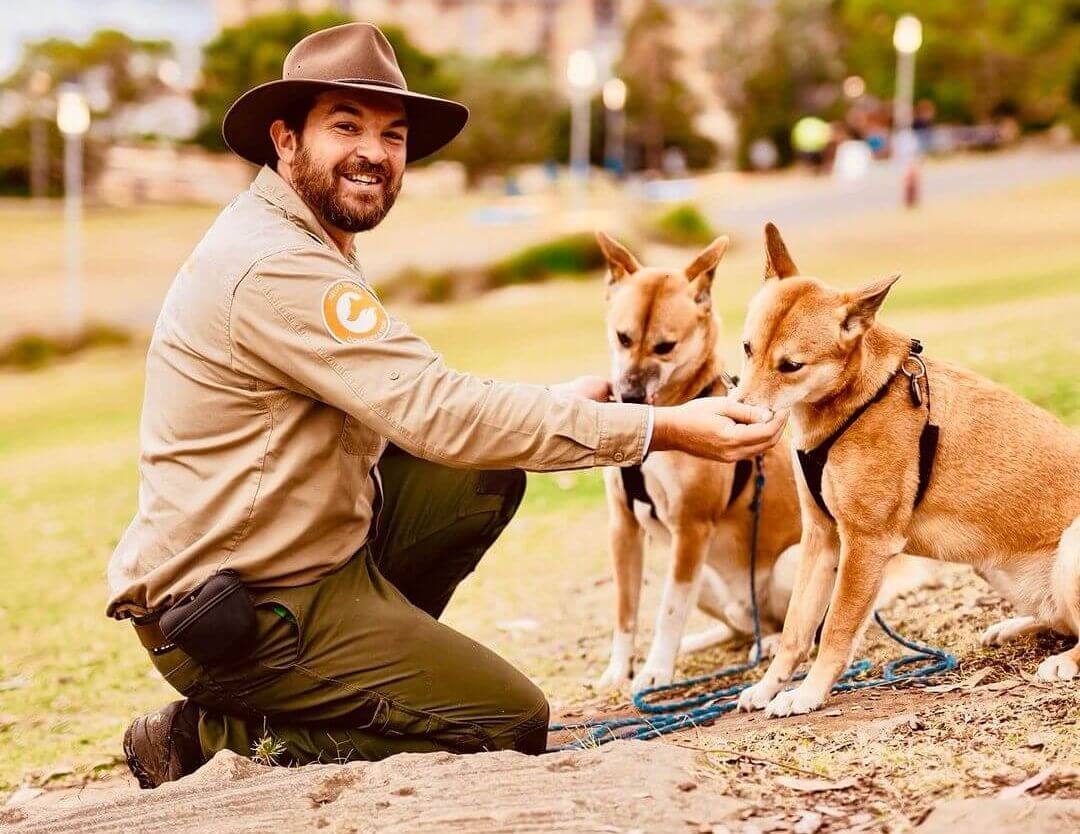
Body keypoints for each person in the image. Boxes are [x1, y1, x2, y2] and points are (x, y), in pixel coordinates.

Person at [111, 23, 787, 788]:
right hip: (240, 610)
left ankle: (368, 681)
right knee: (507, 723)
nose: (374, 151)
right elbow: (435, 409)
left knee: (484, 476)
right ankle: (216, 734)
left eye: (392, 134)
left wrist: (557, 403)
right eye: (345, 126)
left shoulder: (308, 236)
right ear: (284, 137)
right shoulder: (274, 264)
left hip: (310, 555)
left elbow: (412, 403)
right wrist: (661, 428)